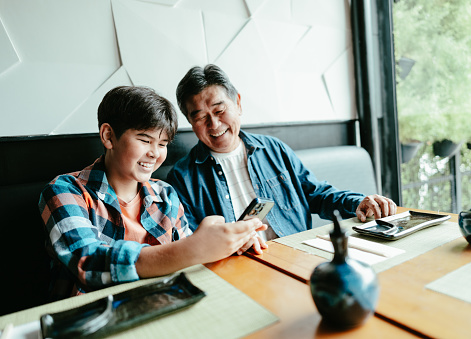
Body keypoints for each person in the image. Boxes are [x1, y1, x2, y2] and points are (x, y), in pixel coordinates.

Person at [39, 86, 265, 300]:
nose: (155, 154)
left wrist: (228, 245)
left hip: (162, 304)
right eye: (145, 140)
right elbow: (88, 263)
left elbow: (190, 265)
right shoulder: (66, 190)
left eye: (163, 143)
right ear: (108, 136)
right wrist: (191, 250)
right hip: (93, 318)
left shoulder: (166, 194)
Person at [167, 64, 397, 255]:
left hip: (297, 253)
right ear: (190, 120)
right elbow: (192, 241)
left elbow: (316, 194)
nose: (214, 124)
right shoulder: (182, 177)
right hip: (237, 265)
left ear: (237, 103)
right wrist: (227, 245)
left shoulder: (274, 149)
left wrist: (358, 203)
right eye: (199, 117)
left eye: (219, 111)